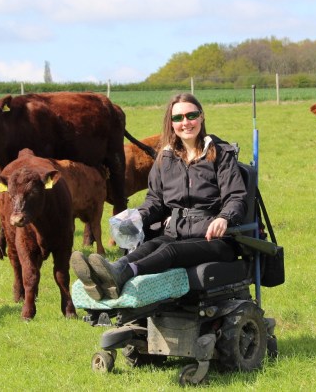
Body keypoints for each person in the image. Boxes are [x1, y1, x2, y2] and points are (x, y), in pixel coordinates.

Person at [71, 92, 248, 300]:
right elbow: (155, 202)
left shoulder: (220, 154)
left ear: (201, 117)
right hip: (176, 231)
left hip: (214, 239)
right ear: (171, 123)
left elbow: (236, 197)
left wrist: (223, 218)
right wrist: (135, 218)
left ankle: (121, 275)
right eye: (178, 118)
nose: (186, 122)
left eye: (191, 115)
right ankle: (108, 270)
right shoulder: (166, 158)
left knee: (170, 250)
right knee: (151, 245)